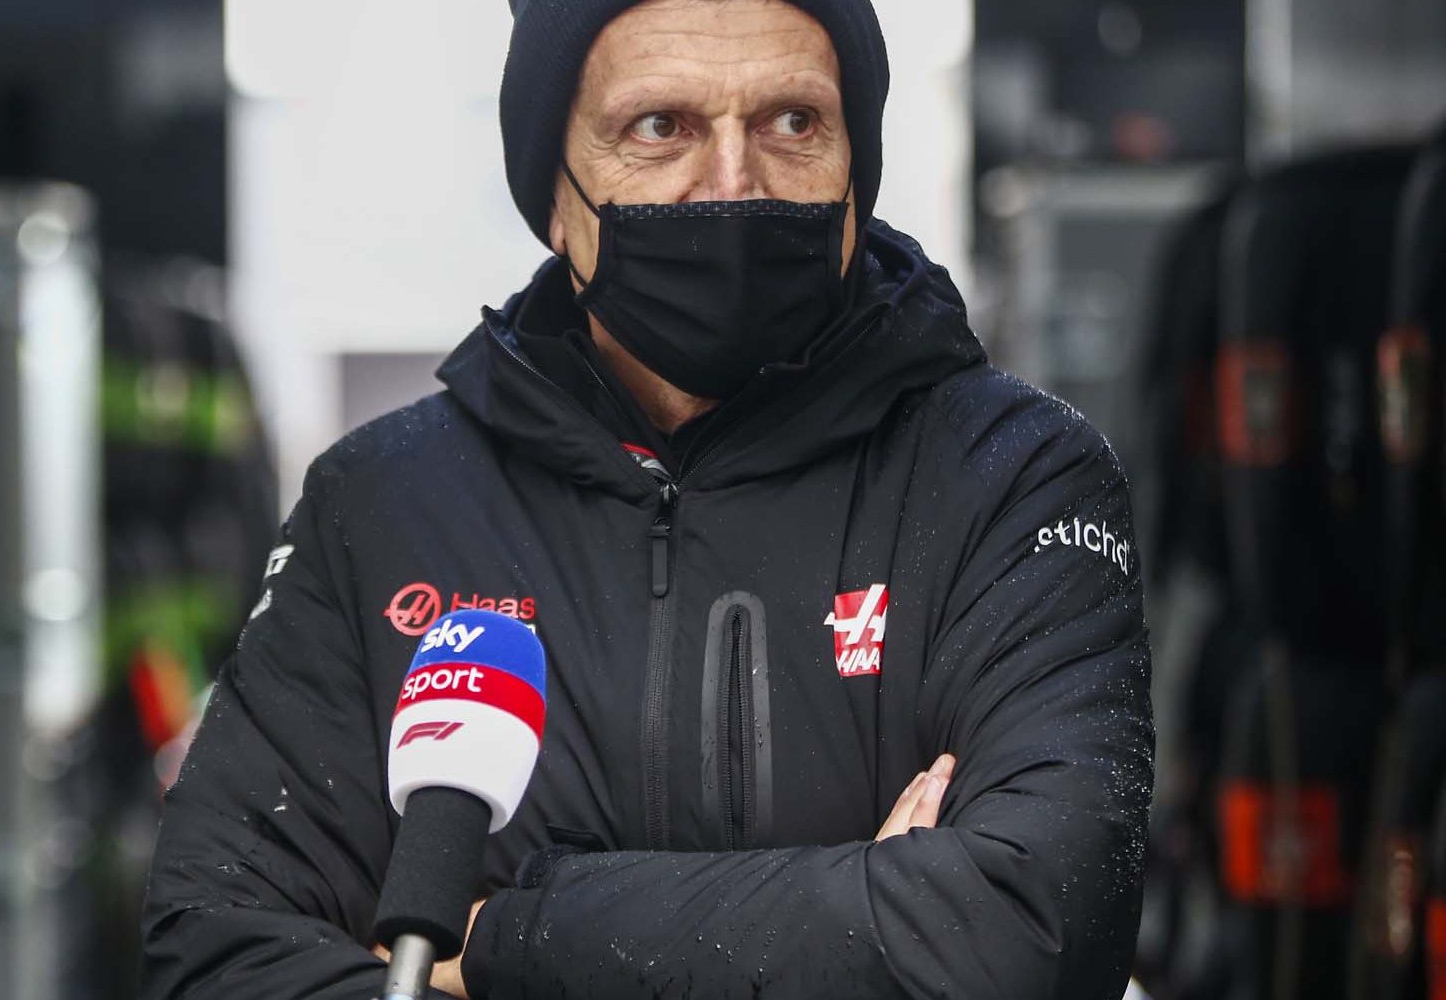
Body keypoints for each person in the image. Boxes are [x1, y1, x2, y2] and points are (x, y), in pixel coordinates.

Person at [140, 1, 1154, 997]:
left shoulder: (1011, 476)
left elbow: (1031, 933)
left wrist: (500, 945)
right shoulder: (381, 506)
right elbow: (217, 954)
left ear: (860, 169)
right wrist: (864, 920)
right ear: (554, 195)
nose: (732, 182)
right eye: (659, 127)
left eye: (793, 123)